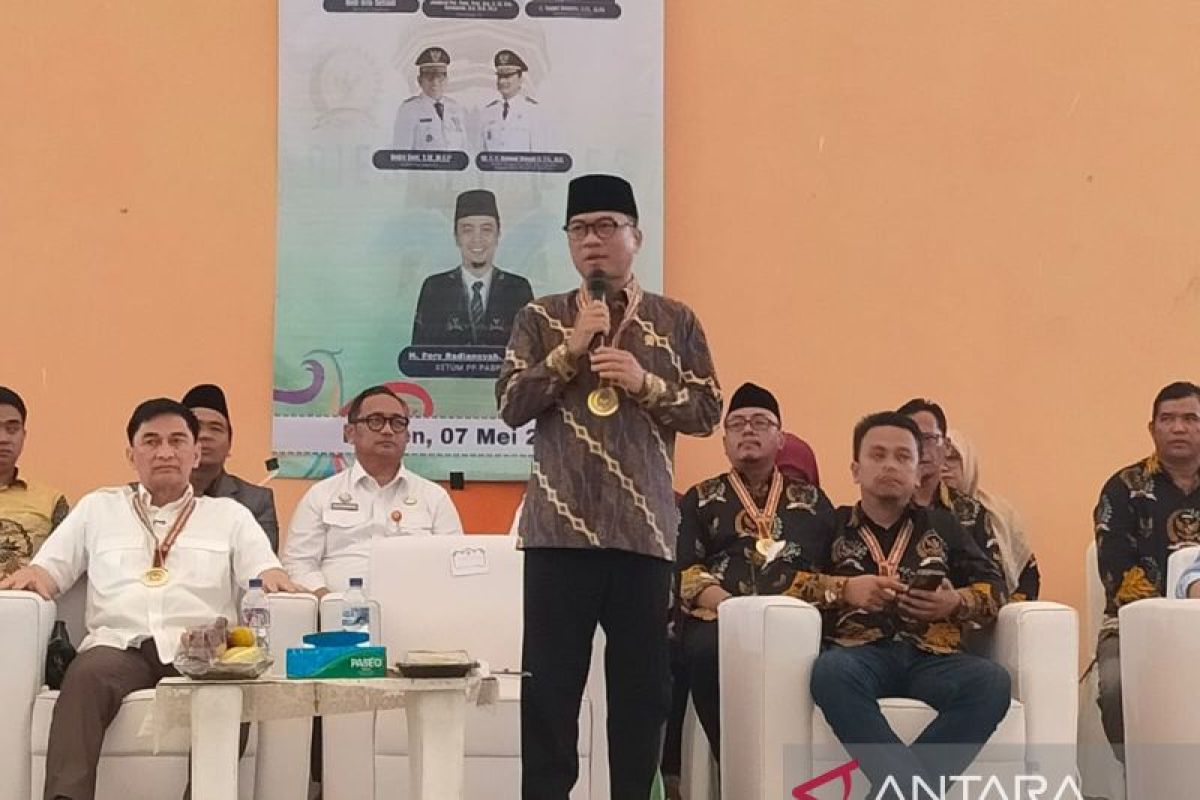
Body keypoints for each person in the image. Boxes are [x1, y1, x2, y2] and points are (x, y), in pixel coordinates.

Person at [496, 174, 721, 800]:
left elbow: (708, 411)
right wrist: (568, 352)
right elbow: (510, 405)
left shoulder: (676, 320)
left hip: (642, 533)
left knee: (642, 696)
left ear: (635, 237)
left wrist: (645, 383)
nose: (592, 240)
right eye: (579, 229)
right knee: (549, 693)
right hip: (557, 533)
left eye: (606, 227)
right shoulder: (540, 316)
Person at [0, 397, 297, 800]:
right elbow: (49, 570)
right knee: (84, 677)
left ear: (195, 453)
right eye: (151, 441)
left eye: (177, 441)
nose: (165, 452)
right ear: (131, 455)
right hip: (118, 646)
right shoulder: (98, 508)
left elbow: (264, 573)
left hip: (201, 650)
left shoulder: (229, 516)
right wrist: (32, 577)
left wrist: (276, 578)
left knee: (230, 686)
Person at [803, 412, 1009, 797]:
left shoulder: (944, 527)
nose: (890, 466)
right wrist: (844, 589)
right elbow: (785, 583)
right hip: (860, 654)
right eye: (878, 455)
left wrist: (954, 601)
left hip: (934, 656)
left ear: (918, 473)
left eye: (903, 457)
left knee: (992, 682)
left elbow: (996, 588)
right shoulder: (830, 525)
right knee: (830, 672)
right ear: (855, 469)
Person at [675, 382, 832, 760]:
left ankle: (792, 765)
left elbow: (831, 564)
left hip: (796, 618)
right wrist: (731, 609)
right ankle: (734, 762)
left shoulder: (811, 499)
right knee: (704, 651)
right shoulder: (702, 497)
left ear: (781, 439)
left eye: (760, 422)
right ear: (725, 442)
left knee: (830, 661)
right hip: (721, 617)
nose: (747, 430)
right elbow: (686, 568)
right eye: (737, 423)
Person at [1093, 380, 1200, 760]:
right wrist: (1178, 606)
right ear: (1152, 428)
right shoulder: (1123, 488)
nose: (1178, 428)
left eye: (1190, 418)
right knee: (1117, 687)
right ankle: (1140, 775)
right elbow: (1115, 572)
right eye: (1168, 419)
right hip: (1132, 624)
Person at [283, 385, 463, 596]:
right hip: (336, 610)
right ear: (350, 433)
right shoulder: (321, 495)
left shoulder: (434, 497)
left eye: (397, 423)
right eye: (375, 421)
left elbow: (455, 564)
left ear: (407, 436)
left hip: (417, 608)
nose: (387, 430)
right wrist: (327, 601)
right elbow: (298, 563)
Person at [411, 189, 534, 347]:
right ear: (456, 237)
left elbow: (532, 354)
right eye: (467, 230)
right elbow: (419, 355)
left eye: (486, 229)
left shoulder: (518, 289)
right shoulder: (435, 289)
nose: (477, 239)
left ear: (498, 235)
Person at [942, 428, 1038, 601]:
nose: (944, 466)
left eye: (953, 458)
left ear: (968, 462)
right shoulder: (919, 513)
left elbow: (1028, 574)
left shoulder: (998, 512)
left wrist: (1006, 609)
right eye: (939, 458)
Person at [181, 383, 280, 550]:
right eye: (195, 427)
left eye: (216, 429)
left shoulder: (255, 501)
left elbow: (262, 561)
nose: (205, 435)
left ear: (229, 445)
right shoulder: (148, 496)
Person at [0, 386, 69, 578]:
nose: (3, 438)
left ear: (24, 435)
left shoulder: (52, 501)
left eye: (12, 429)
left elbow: (64, 565)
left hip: (25, 595)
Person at [392, 46, 467, 151]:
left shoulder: (455, 108)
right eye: (429, 77)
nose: (435, 82)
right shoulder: (409, 110)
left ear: (446, 80)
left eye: (440, 77)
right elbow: (401, 152)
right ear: (419, 80)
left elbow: (464, 150)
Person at [480, 49, 550, 152]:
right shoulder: (488, 112)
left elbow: (540, 155)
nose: (502, 81)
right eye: (499, 76)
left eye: (507, 76)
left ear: (520, 79)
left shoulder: (533, 112)